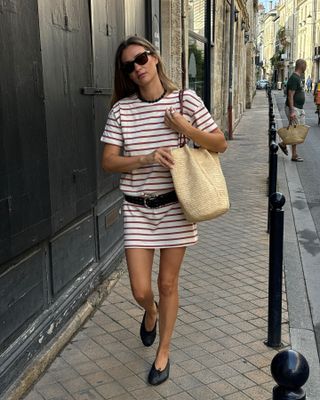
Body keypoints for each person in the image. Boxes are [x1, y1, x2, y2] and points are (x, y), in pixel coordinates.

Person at [100, 36, 227, 386]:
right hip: (138, 209)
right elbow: (108, 161)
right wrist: (144, 158)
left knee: (167, 283)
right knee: (141, 289)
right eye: (128, 65)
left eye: (141, 59)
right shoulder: (122, 110)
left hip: (175, 207)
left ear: (154, 58)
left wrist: (184, 128)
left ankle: (163, 352)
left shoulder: (185, 100)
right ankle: (150, 313)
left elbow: (220, 143)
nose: (137, 68)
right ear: (125, 73)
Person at [278, 59, 306, 162]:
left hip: (298, 108)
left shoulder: (298, 78)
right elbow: (290, 95)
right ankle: (293, 155)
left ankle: (283, 144)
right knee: (295, 131)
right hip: (294, 109)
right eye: (305, 65)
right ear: (302, 66)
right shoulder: (294, 78)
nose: (306, 67)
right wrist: (292, 111)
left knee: (296, 130)